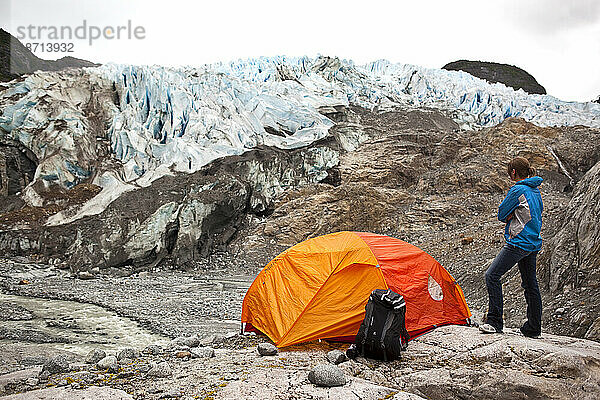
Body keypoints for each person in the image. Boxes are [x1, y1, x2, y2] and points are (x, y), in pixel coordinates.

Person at [479, 157, 543, 338]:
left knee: (492, 275)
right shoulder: (535, 190)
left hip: (518, 242)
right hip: (533, 242)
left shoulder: (518, 189)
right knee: (531, 284)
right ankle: (533, 327)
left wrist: (511, 216)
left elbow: (501, 213)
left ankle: (494, 321)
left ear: (513, 172)